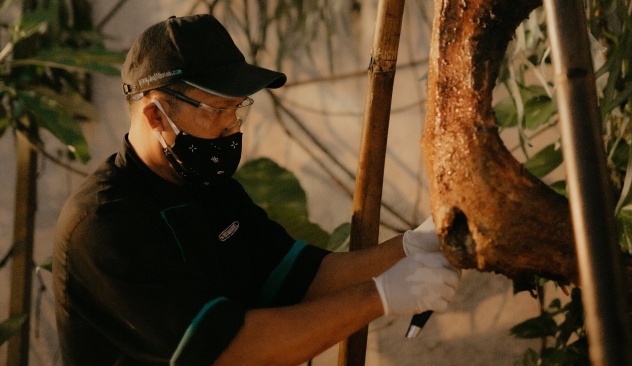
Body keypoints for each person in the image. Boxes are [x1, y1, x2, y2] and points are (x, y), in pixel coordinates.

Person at [52, 14, 461, 366]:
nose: (234, 127)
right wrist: (381, 296)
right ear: (155, 115)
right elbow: (230, 352)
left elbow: (303, 277)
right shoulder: (104, 224)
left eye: (238, 108)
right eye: (217, 111)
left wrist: (409, 247)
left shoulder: (211, 189)